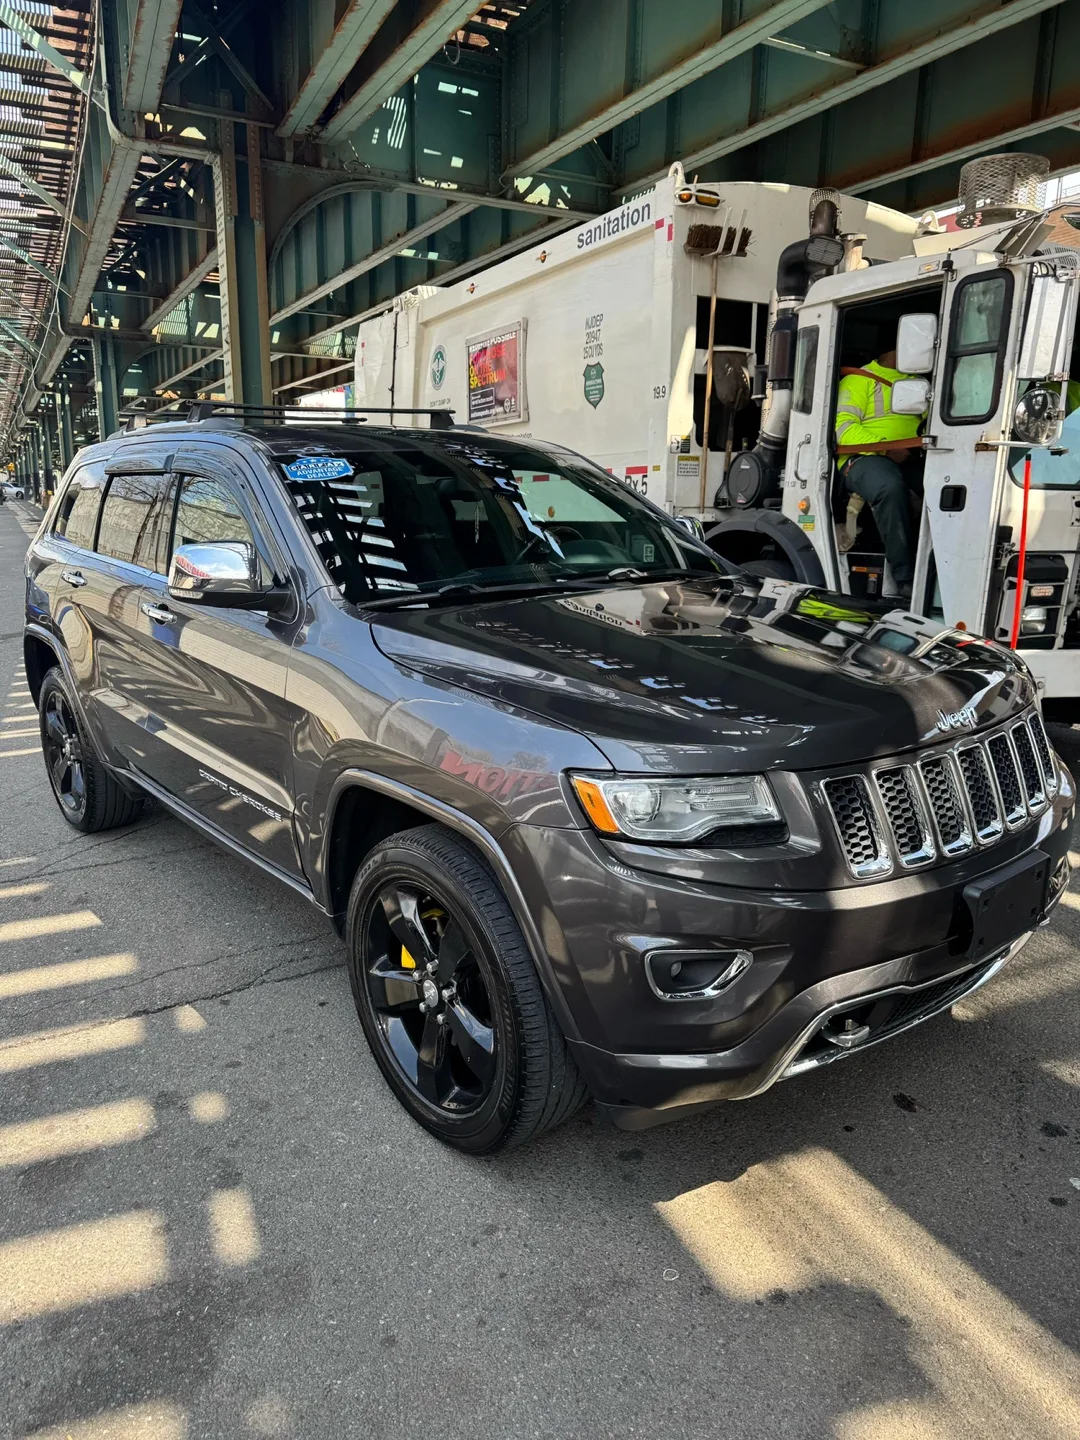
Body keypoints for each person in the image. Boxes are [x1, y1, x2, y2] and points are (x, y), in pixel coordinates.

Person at [835, 343, 923, 598]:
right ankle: (905, 578)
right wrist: (885, 449)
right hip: (861, 458)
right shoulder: (858, 380)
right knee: (889, 487)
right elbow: (843, 430)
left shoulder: (922, 384)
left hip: (911, 455)